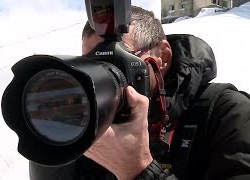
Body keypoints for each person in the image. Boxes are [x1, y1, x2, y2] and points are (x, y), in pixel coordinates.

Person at [29, 6, 250, 180]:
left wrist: (138, 170)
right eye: (91, 66)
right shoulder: (93, 120)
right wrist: (54, 132)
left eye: (113, 62)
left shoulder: (228, 113)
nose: (101, 77)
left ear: (162, 56)